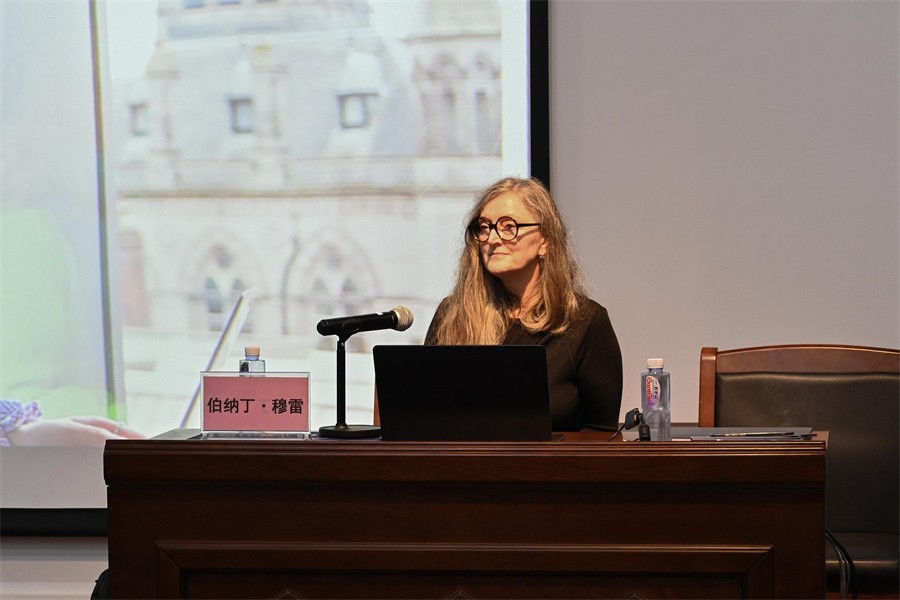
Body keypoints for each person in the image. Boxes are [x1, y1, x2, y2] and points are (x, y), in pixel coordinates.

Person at [424, 176, 623, 431]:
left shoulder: (584, 321)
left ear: (545, 240)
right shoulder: (452, 314)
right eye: (484, 227)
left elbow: (600, 434)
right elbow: (425, 414)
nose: (492, 239)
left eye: (509, 227)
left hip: (552, 458)